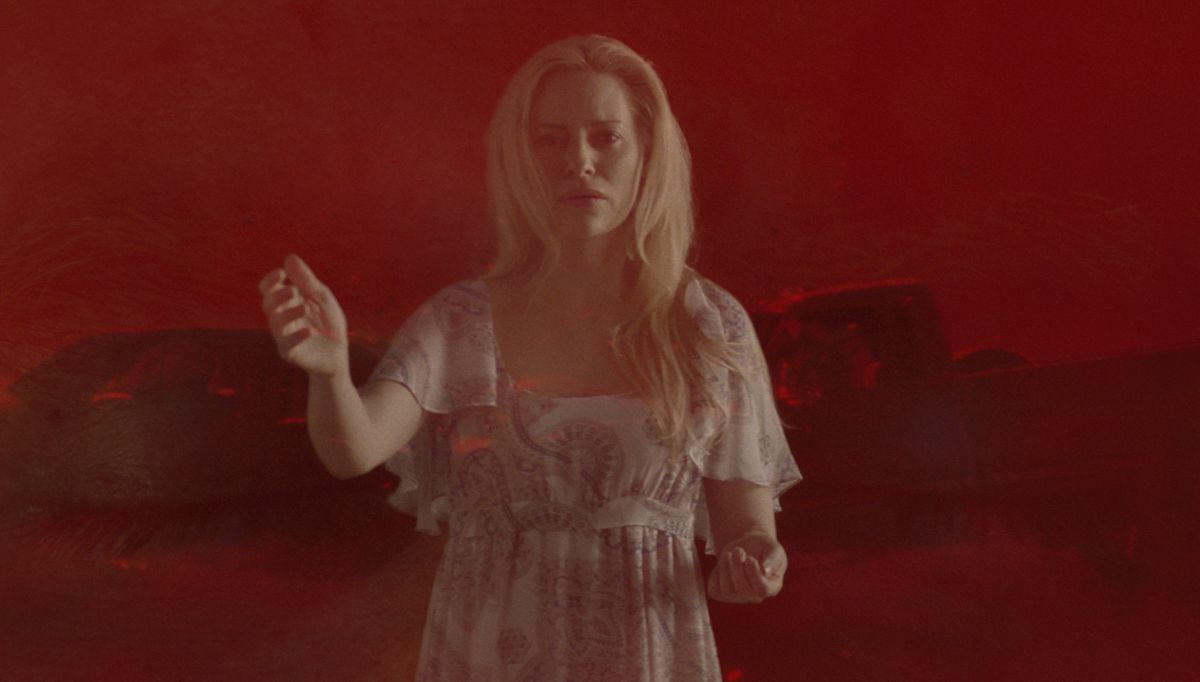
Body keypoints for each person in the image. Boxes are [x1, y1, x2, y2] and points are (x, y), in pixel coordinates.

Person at [258, 34, 801, 681]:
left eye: (606, 137)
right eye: (551, 139)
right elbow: (352, 449)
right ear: (520, 158)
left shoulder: (709, 324)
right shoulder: (461, 320)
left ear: (647, 152)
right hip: (489, 656)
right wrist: (327, 373)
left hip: (645, 657)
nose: (579, 161)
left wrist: (757, 564)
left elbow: (749, 531)